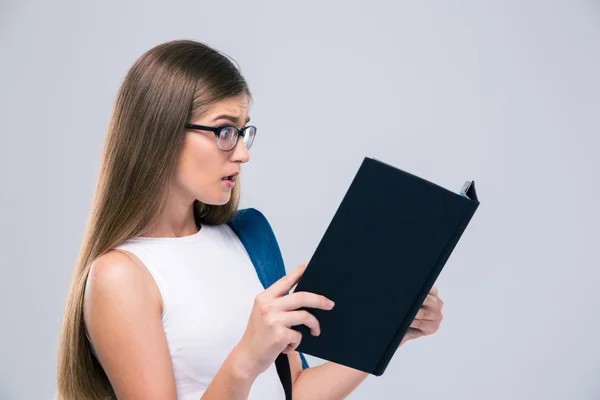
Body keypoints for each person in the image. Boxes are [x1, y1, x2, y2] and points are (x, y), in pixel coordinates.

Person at [56, 39, 445, 400]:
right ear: (162, 131)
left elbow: (295, 390)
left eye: (243, 132)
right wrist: (246, 358)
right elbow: (250, 366)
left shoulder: (246, 235)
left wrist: (389, 331)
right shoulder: (121, 275)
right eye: (225, 130)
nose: (242, 152)